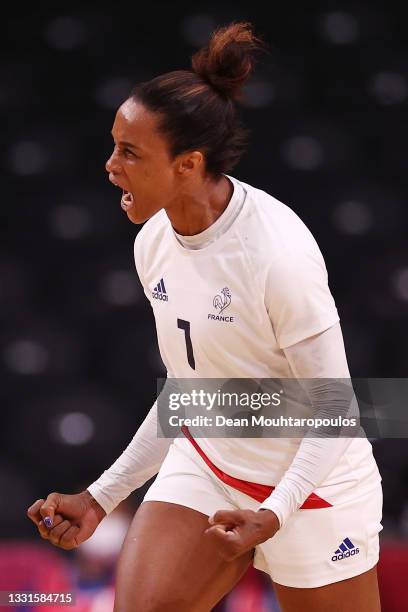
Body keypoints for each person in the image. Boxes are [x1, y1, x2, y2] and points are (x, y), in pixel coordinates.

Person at [27, 22, 383, 612]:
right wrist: (99, 498)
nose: (110, 165)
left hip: (312, 486)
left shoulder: (276, 254)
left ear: (188, 164)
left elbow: (335, 406)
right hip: (212, 459)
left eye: (130, 152)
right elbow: (194, 397)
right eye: (114, 144)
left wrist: (274, 512)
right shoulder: (154, 241)